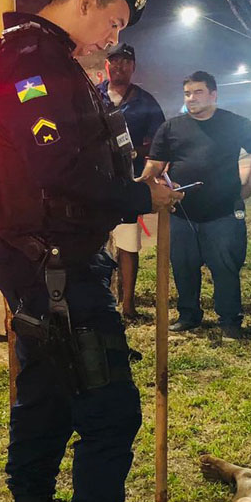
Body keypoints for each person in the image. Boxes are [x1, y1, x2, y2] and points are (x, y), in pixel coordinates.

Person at [0, 0, 182, 502]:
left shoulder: (50, 59)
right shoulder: (26, 59)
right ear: (85, 1)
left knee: (49, 401)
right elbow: (54, 165)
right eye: (112, 23)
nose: (113, 40)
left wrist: (132, 189)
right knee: (111, 414)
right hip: (52, 267)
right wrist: (140, 199)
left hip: (56, 263)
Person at [142, 71, 251, 341]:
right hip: (182, 212)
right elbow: (155, 161)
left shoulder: (235, 123)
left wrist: (250, 184)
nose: (191, 98)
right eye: (187, 93)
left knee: (224, 266)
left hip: (222, 211)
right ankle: (189, 315)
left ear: (213, 94)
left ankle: (230, 320)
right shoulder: (171, 128)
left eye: (198, 92)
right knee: (183, 265)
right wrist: (145, 180)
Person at [96, 42, 166, 320]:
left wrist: (148, 165)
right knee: (95, 245)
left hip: (128, 180)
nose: (119, 66)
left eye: (125, 62)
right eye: (114, 61)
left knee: (128, 244)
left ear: (133, 67)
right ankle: (100, 301)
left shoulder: (145, 102)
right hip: (96, 181)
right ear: (106, 65)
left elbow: (161, 140)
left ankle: (128, 304)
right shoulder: (92, 94)